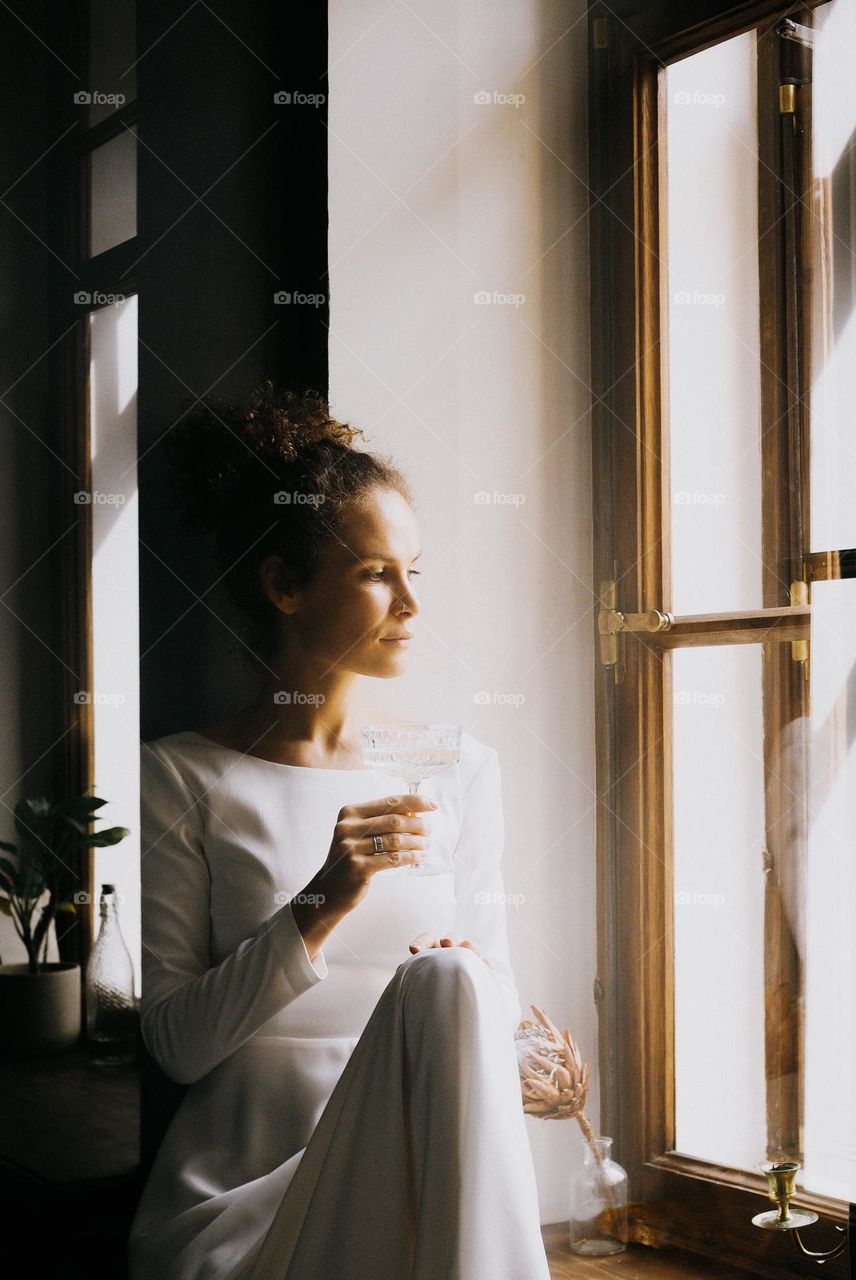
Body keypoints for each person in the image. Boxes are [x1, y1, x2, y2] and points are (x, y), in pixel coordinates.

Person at [127, 385, 551, 1280]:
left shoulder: (457, 767)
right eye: (375, 574)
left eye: (415, 571)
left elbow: (500, 1013)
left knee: (450, 979)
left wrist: (489, 1008)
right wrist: (319, 903)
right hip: (249, 1206)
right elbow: (175, 1046)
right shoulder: (180, 776)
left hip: (418, 1188)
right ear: (284, 585)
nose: (411, 603)